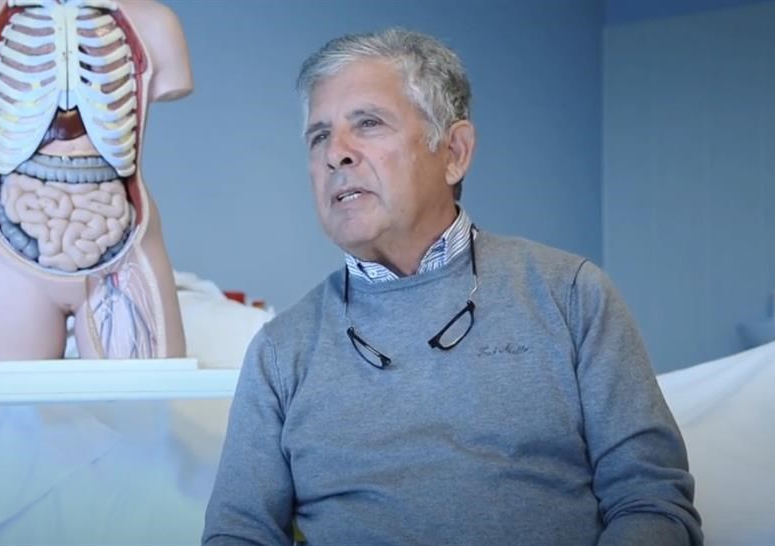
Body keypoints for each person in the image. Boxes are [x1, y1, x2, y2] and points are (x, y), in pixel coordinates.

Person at [203, 28, 702, 545]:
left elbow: (651, 501)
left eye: (368, 123)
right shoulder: (281, 351)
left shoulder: (571, 295)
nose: (336, 154)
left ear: (454, 152)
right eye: (319, 136)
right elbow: (238, 533)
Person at [0, 0, 190, 361]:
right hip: (6, 242)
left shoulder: (156, 21)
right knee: (2, 390)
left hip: (125, 241)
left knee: (148, 391)